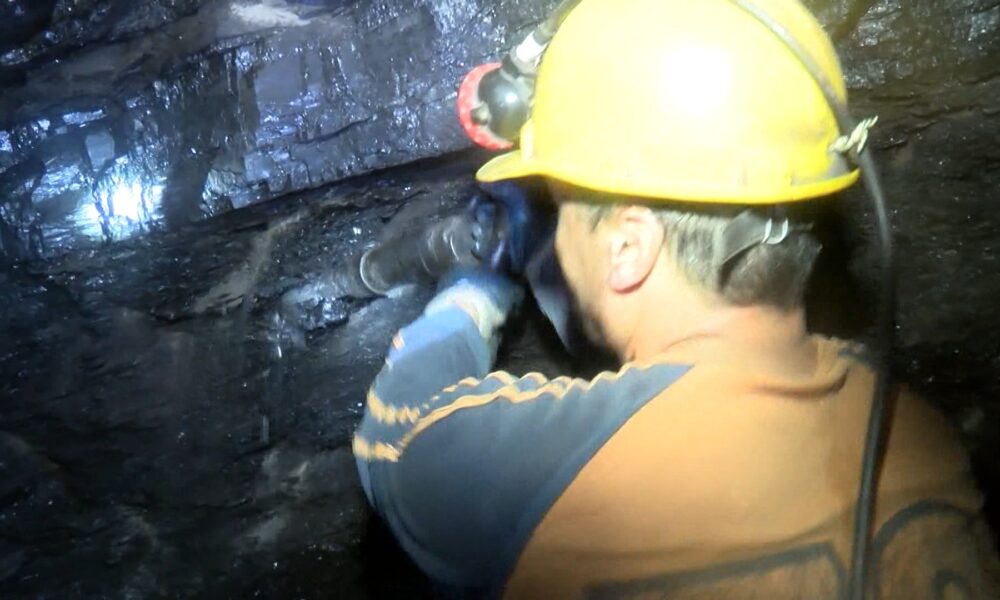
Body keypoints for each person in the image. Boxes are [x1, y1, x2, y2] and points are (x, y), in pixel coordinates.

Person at [353, 0, 1000, 597]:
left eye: (561, 205)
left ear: (628, 248)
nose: (556, 227)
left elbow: (398, 436)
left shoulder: (570, 480)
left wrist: (476, 287)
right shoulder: (917, 436)